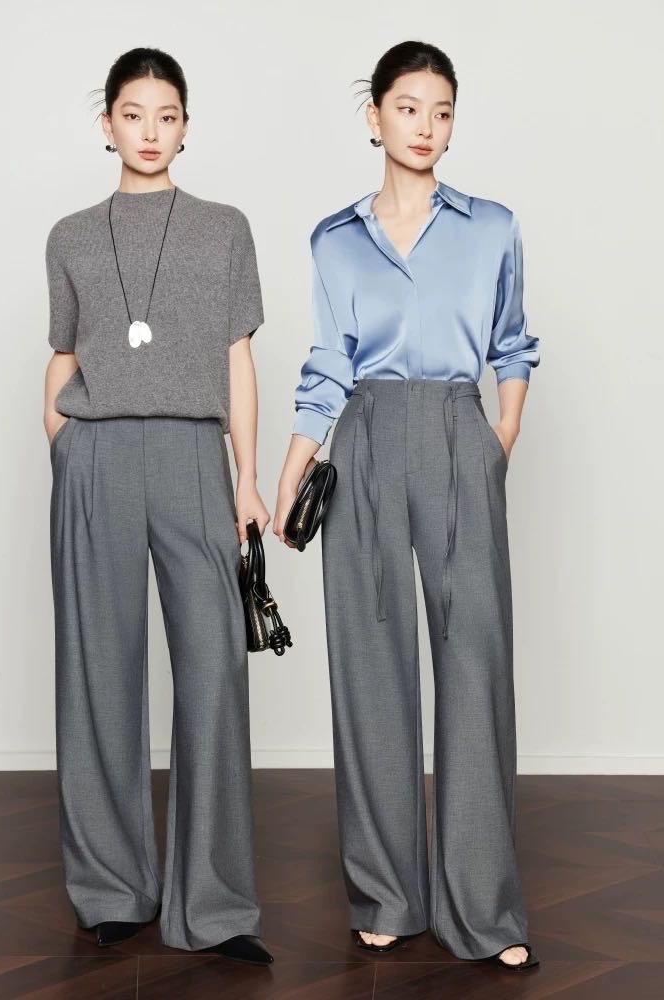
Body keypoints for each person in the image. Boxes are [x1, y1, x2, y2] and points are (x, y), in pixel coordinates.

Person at [274, 40, 541, 972]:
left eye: (442, 110)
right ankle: (388, 893)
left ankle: (485, 910)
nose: (426, 126)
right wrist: (294, 467)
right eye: (408, 107)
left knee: (475, 669)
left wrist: (500, 438)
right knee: (371, 665)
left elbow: (513, 342)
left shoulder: (493, 227)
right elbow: (327, 365)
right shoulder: (334, 239)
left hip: (461, 433)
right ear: (375, 116)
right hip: (367, 439)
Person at [44, 46, 273, 966]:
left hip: (191, 453)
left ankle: (215, 906)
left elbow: (238, 360)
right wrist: (62, 449)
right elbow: (63, 355)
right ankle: (110, 888)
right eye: (133, 114)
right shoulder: (69, 236)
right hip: (95, 453)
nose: (150, 131)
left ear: (186, 126)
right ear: (107, 124)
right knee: (98, 671)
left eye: (167, 115)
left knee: (214, 672)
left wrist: (245, 477)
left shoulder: (224, 229)